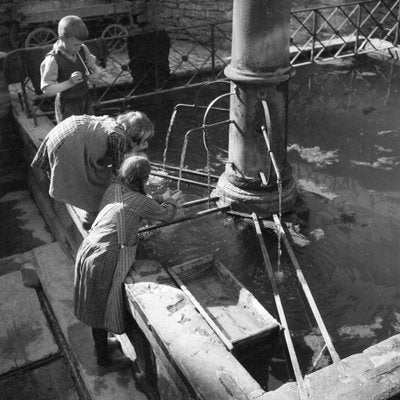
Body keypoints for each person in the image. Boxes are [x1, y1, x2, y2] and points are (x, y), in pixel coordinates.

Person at [74, 155, 182, 375]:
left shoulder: (114, 188)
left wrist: (160, 196)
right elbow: (165, 215)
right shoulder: (138, 201)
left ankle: (102, 346)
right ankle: (104, 362)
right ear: (144, 177)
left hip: (89, 249)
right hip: (103, 257)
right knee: (98, 307)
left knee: (95, 304)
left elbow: (140, 204)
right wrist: (172, 200)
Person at [31, 111, 154, 229]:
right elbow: (121, 175)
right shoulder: (118, 138)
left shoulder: (112, 123)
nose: (146, 144)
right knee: (98, 188)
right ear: (134, 136)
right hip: (69, 147)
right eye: (144, 141)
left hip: (62, 136)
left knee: (104, 176)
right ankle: (92, 219)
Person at [40, 15, 101, 123]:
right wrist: (69, 83)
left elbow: (95, 67)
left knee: (90, 132)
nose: (78, 48)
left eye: (80, 44)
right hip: (67, 105)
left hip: (85, 99)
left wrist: (96, 74)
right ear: (61, 38)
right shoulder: (53, 59)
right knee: (72, 137)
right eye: (75, 45)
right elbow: (47, 90)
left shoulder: (82, 49)